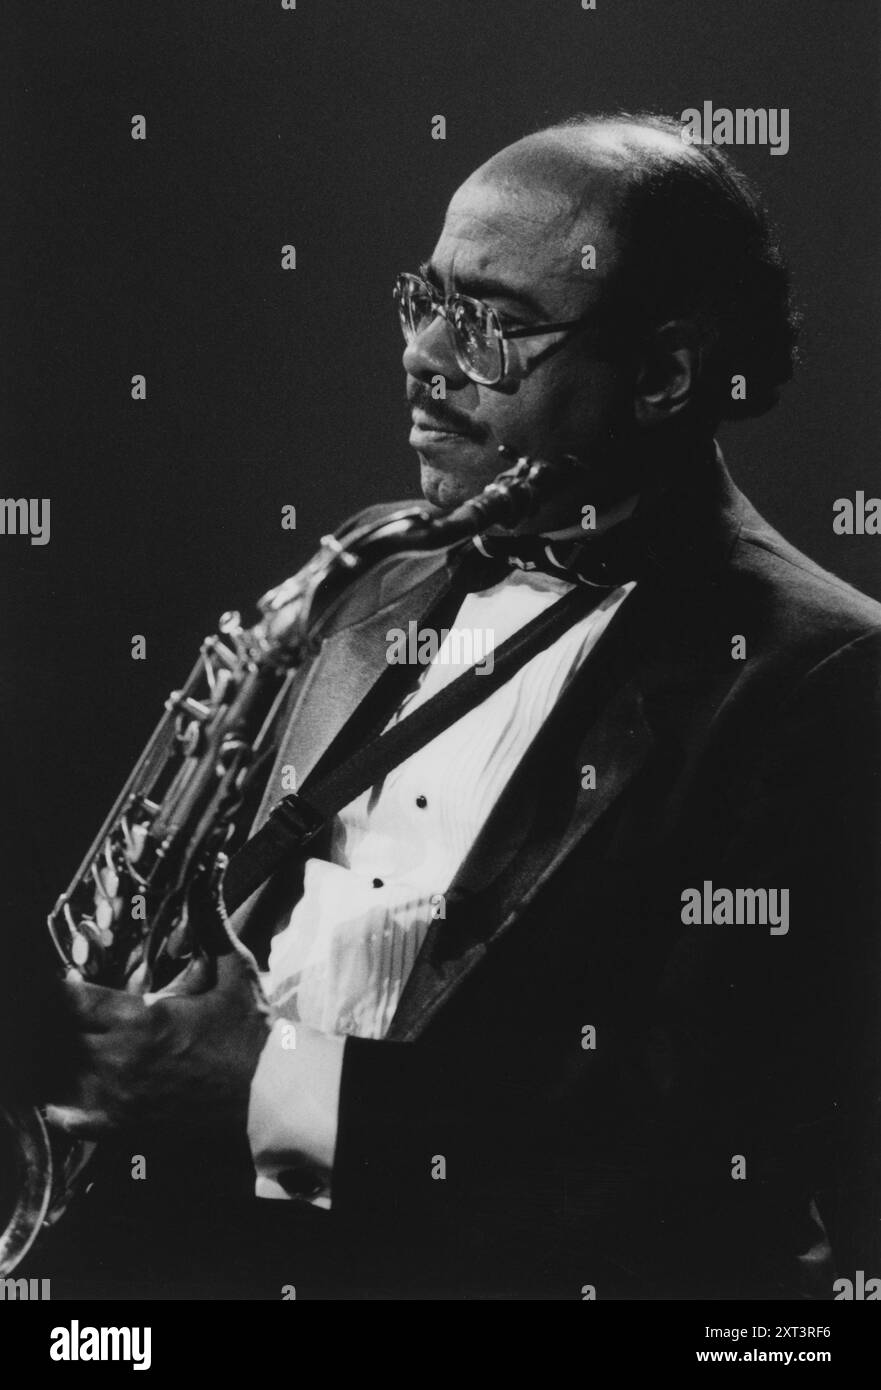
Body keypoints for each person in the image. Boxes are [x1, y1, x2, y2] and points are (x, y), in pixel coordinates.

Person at [42, 113, 881, 1300]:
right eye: (421, 300)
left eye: (493, 319)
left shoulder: (828, 678)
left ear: (662, 374)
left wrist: (270, 1096)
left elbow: (696, 1167)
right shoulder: (369, 588)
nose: (425, 356)